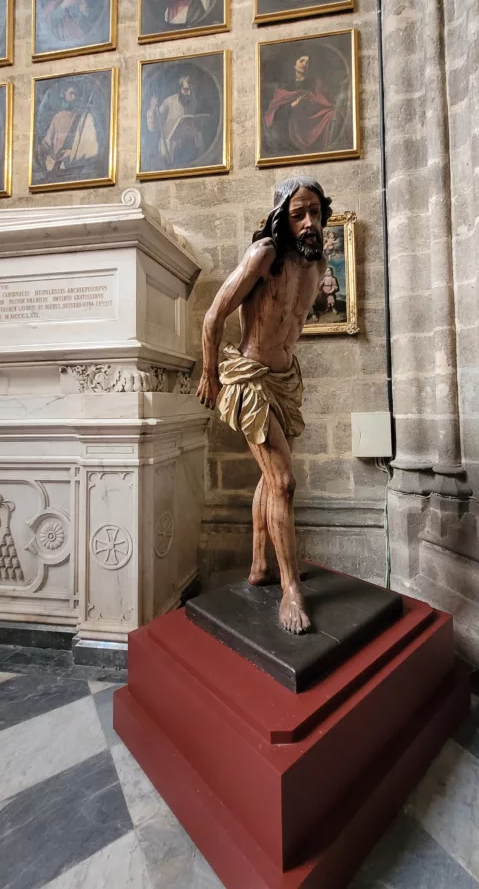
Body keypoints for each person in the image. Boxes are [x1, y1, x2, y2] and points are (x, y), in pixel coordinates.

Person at [197, 177, 332, 635]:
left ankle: (259, 565)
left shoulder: (318, 263)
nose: (309, 222)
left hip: (286, 380)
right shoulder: (264, 256)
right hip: (250, 378)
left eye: (314, 211)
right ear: (282, 217)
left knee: (269, 479)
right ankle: (291, 589)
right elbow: (214, 314)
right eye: (298, 214)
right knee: (285, 481)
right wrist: (209, 373)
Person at [263, 54, 335, 156]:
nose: (305, 64)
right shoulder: (286, 86)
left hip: (313, 119)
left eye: (307, 62)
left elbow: (322, 101)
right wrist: (294, 104)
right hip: (293, 126)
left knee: (331, 114)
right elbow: (275, 112)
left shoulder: (316, 83)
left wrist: (310, 101)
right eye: (302, 61)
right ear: (294, 65)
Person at [146, 73, 207, 168]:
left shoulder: (193, 101)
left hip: (187, 145)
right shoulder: (169, 101)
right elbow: (153, 126)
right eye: (186, 90)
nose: (189, 93)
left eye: (191, 90)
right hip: (170, 146)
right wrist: (153, 107)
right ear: (180, 89)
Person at [37, 84, 99, 176]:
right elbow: (48, 141)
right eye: (71, 93)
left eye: (76, 94)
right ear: (64, 94)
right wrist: (41, 148)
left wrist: (72, 154)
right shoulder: (58, 117)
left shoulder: (85, 117)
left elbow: (92, 148)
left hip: (74, 168)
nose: (74, 97)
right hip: (54, 165)